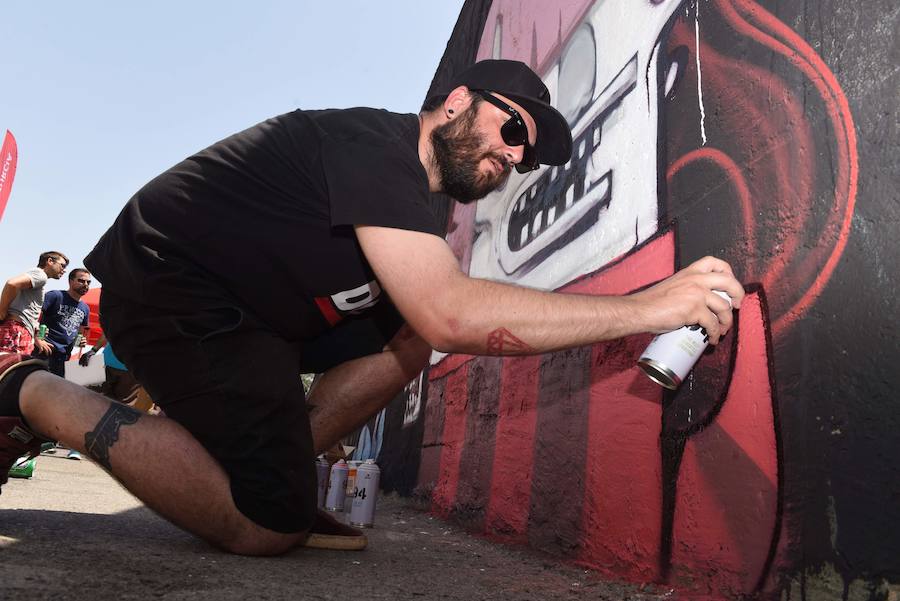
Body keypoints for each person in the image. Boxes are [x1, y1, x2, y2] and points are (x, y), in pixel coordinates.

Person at [0, 60, 744, 556]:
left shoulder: (417, 210)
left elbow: (432, 320)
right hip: (170, 285)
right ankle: (32, 392)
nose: (515, 157)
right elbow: (454, 312)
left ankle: (278, 469)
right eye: (513, 129)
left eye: (527, 155)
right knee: (266, 525)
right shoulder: (376, 145)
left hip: (256, 318)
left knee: (410, 335)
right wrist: (644, 307)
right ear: (458, 102)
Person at [32, 268, 92, 460]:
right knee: (37, 395)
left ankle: (44, 439)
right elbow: (34, 315)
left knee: (53, 399)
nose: (85, 285)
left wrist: (82, 341)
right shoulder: (55, 296)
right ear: (70, 281)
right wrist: (37, 339)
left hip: (63, 358)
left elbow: (81, 331)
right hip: (44, 352)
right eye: (81, 280)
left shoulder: (85, 308)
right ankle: (30, 438)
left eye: (88, 282)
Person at [0, 252, 69, 355]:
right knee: (11, 364)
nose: (64, 270)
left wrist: (35, 333)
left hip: (19, 330)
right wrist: (2, 312)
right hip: (16, 329)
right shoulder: (41, 275)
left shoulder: (38, 277)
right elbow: (12, 284)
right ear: (50, 261)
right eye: (62, 265)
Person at [79, 333, 156, 413]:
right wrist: (93, 350)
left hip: (123, 367)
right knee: (120, 406)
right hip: (116, 365)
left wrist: (94, 350)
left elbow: (107, 332)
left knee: (96, 399)